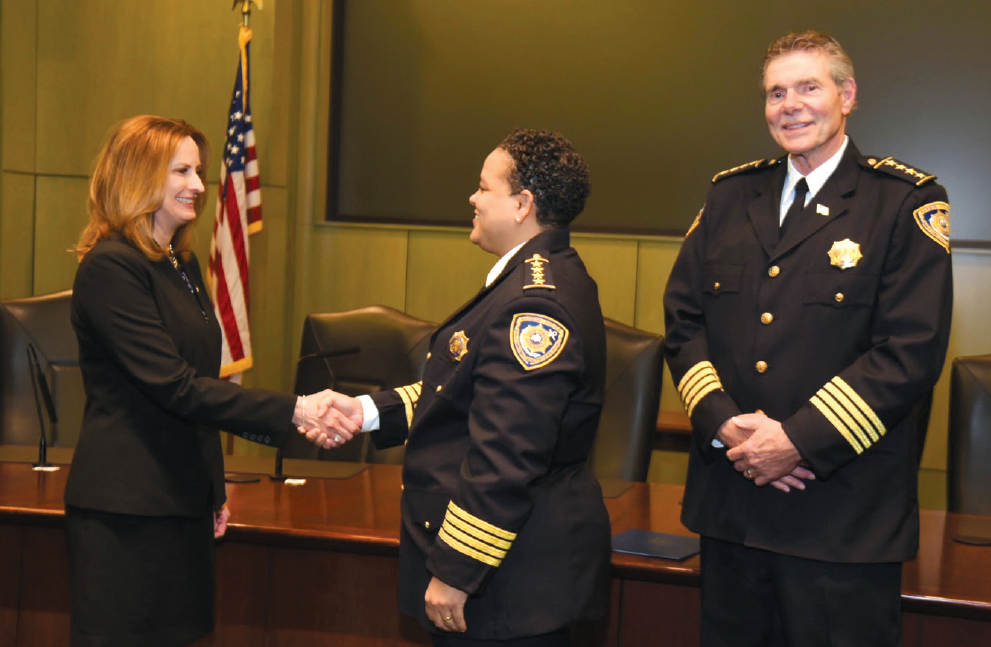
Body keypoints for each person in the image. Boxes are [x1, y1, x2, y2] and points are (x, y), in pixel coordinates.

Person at [663, 30, 953, 646]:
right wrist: (722, 422)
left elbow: (911, 352)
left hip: (839, 517)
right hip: (733, 504)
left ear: (846, 96)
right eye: (775, 93)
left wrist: (798, 440)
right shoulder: (728, 196)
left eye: (808, 87)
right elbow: (683, 323)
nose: (789, 105)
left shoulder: (903, 201)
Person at [306, 129, 611, 646]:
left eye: (483, 187)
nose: (472, 198)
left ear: (521, 205)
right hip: (511, 573)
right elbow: (463, 390)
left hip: (507, 582)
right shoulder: (530, 277)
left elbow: (506, 451)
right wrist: (366, 411)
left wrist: (456, 571)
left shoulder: (533, 303)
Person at [65, 115, 356, 646]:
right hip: (127, 515)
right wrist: (295, 410)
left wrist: (212, 488)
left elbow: (199, 384)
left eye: (198, 171)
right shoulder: (111, 269)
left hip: (182, 504)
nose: (200, 186)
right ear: (138, 176)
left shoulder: (182, 264)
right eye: (182, 171)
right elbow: (174, 387)